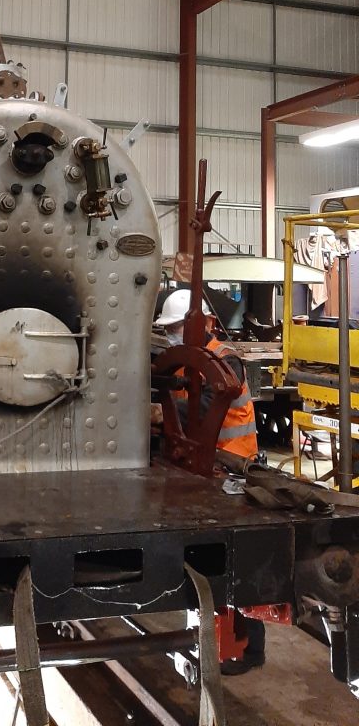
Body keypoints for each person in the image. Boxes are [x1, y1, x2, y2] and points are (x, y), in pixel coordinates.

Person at [155, 289, 265, 676]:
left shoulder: (225, 359)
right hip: (210, 469)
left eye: (173, 329)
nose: (170, 337)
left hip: (235, 466)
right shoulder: (187, 361)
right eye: (167, 331)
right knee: (216, 560)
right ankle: (215, 638)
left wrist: (161, 410)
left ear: (195, 324)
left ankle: (249, 650)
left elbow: (203, 407)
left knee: (239, 560)